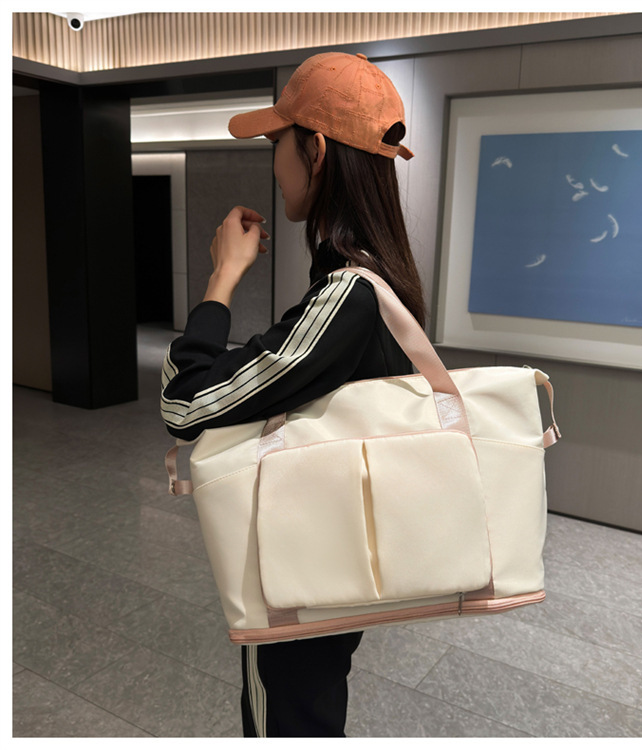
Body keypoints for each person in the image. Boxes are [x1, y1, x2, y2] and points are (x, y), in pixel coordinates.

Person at [159, 52, 424, 737]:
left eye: (277, 142)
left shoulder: (349, 295)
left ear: (317, 151)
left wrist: (221, 279)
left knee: (286, 718)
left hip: (304, 573)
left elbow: (186, 404)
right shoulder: (384, 278)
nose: (274, 163)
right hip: (337, 558)